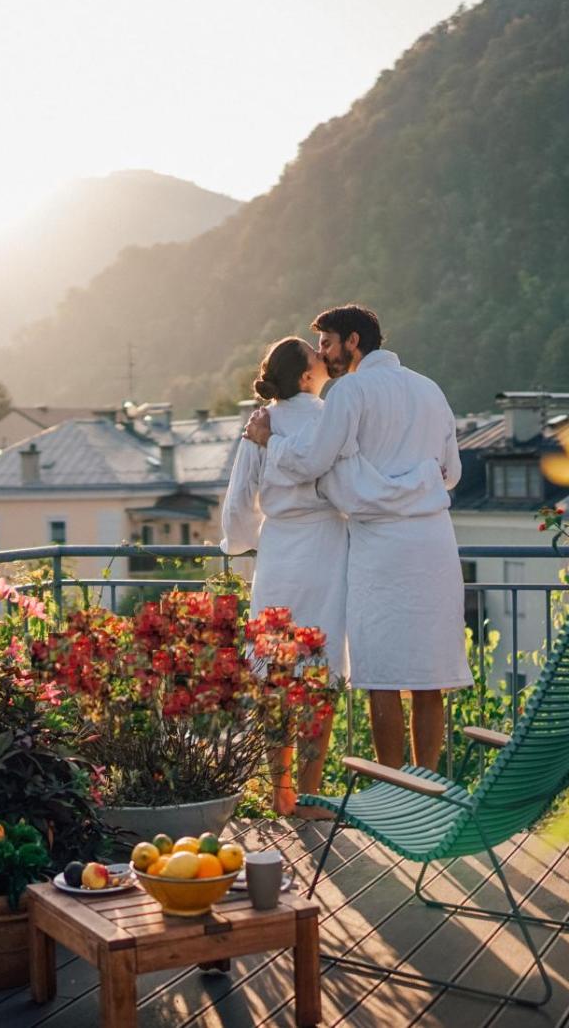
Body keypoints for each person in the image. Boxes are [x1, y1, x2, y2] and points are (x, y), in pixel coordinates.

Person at [243, 305, 470, 772]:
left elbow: (311, 461)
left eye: (327, 343)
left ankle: (391, 786)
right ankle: (426, 788)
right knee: (429, 676)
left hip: (380, 545)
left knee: (382, 676)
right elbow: (451, 473)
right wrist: (414, 483)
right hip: (433, 543)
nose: (324, 355)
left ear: (352, 341)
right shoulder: (429, 388)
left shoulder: (350, 392)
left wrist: (271, 442)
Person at [221, 337, 346, 817]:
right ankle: (309, 796)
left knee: (276, 675)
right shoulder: (329, 418)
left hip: (276, 554)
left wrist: (245, 541)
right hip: (325, 550)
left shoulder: (261, 424)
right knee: (318, 675)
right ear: (306, 376)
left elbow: (240, 500)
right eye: (317, 355)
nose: (324, 356)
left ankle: (282, 794)